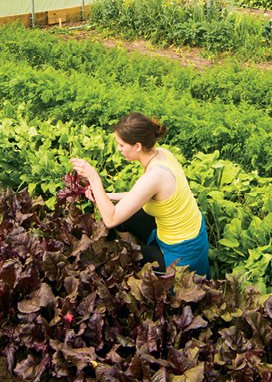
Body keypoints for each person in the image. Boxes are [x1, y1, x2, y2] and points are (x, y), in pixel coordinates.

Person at [69, 113, 211, 277]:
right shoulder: (162, 154)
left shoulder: (155, 175)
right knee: (120, 216)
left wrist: (94, 178)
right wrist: (107, 195)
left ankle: (139, 258)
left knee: (131, 258)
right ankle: (139, 249)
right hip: (192, 232)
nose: (118, 149)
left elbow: (110, 219)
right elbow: (140, 194)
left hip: (182, 254)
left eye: (121, 145)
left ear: (137, 146)